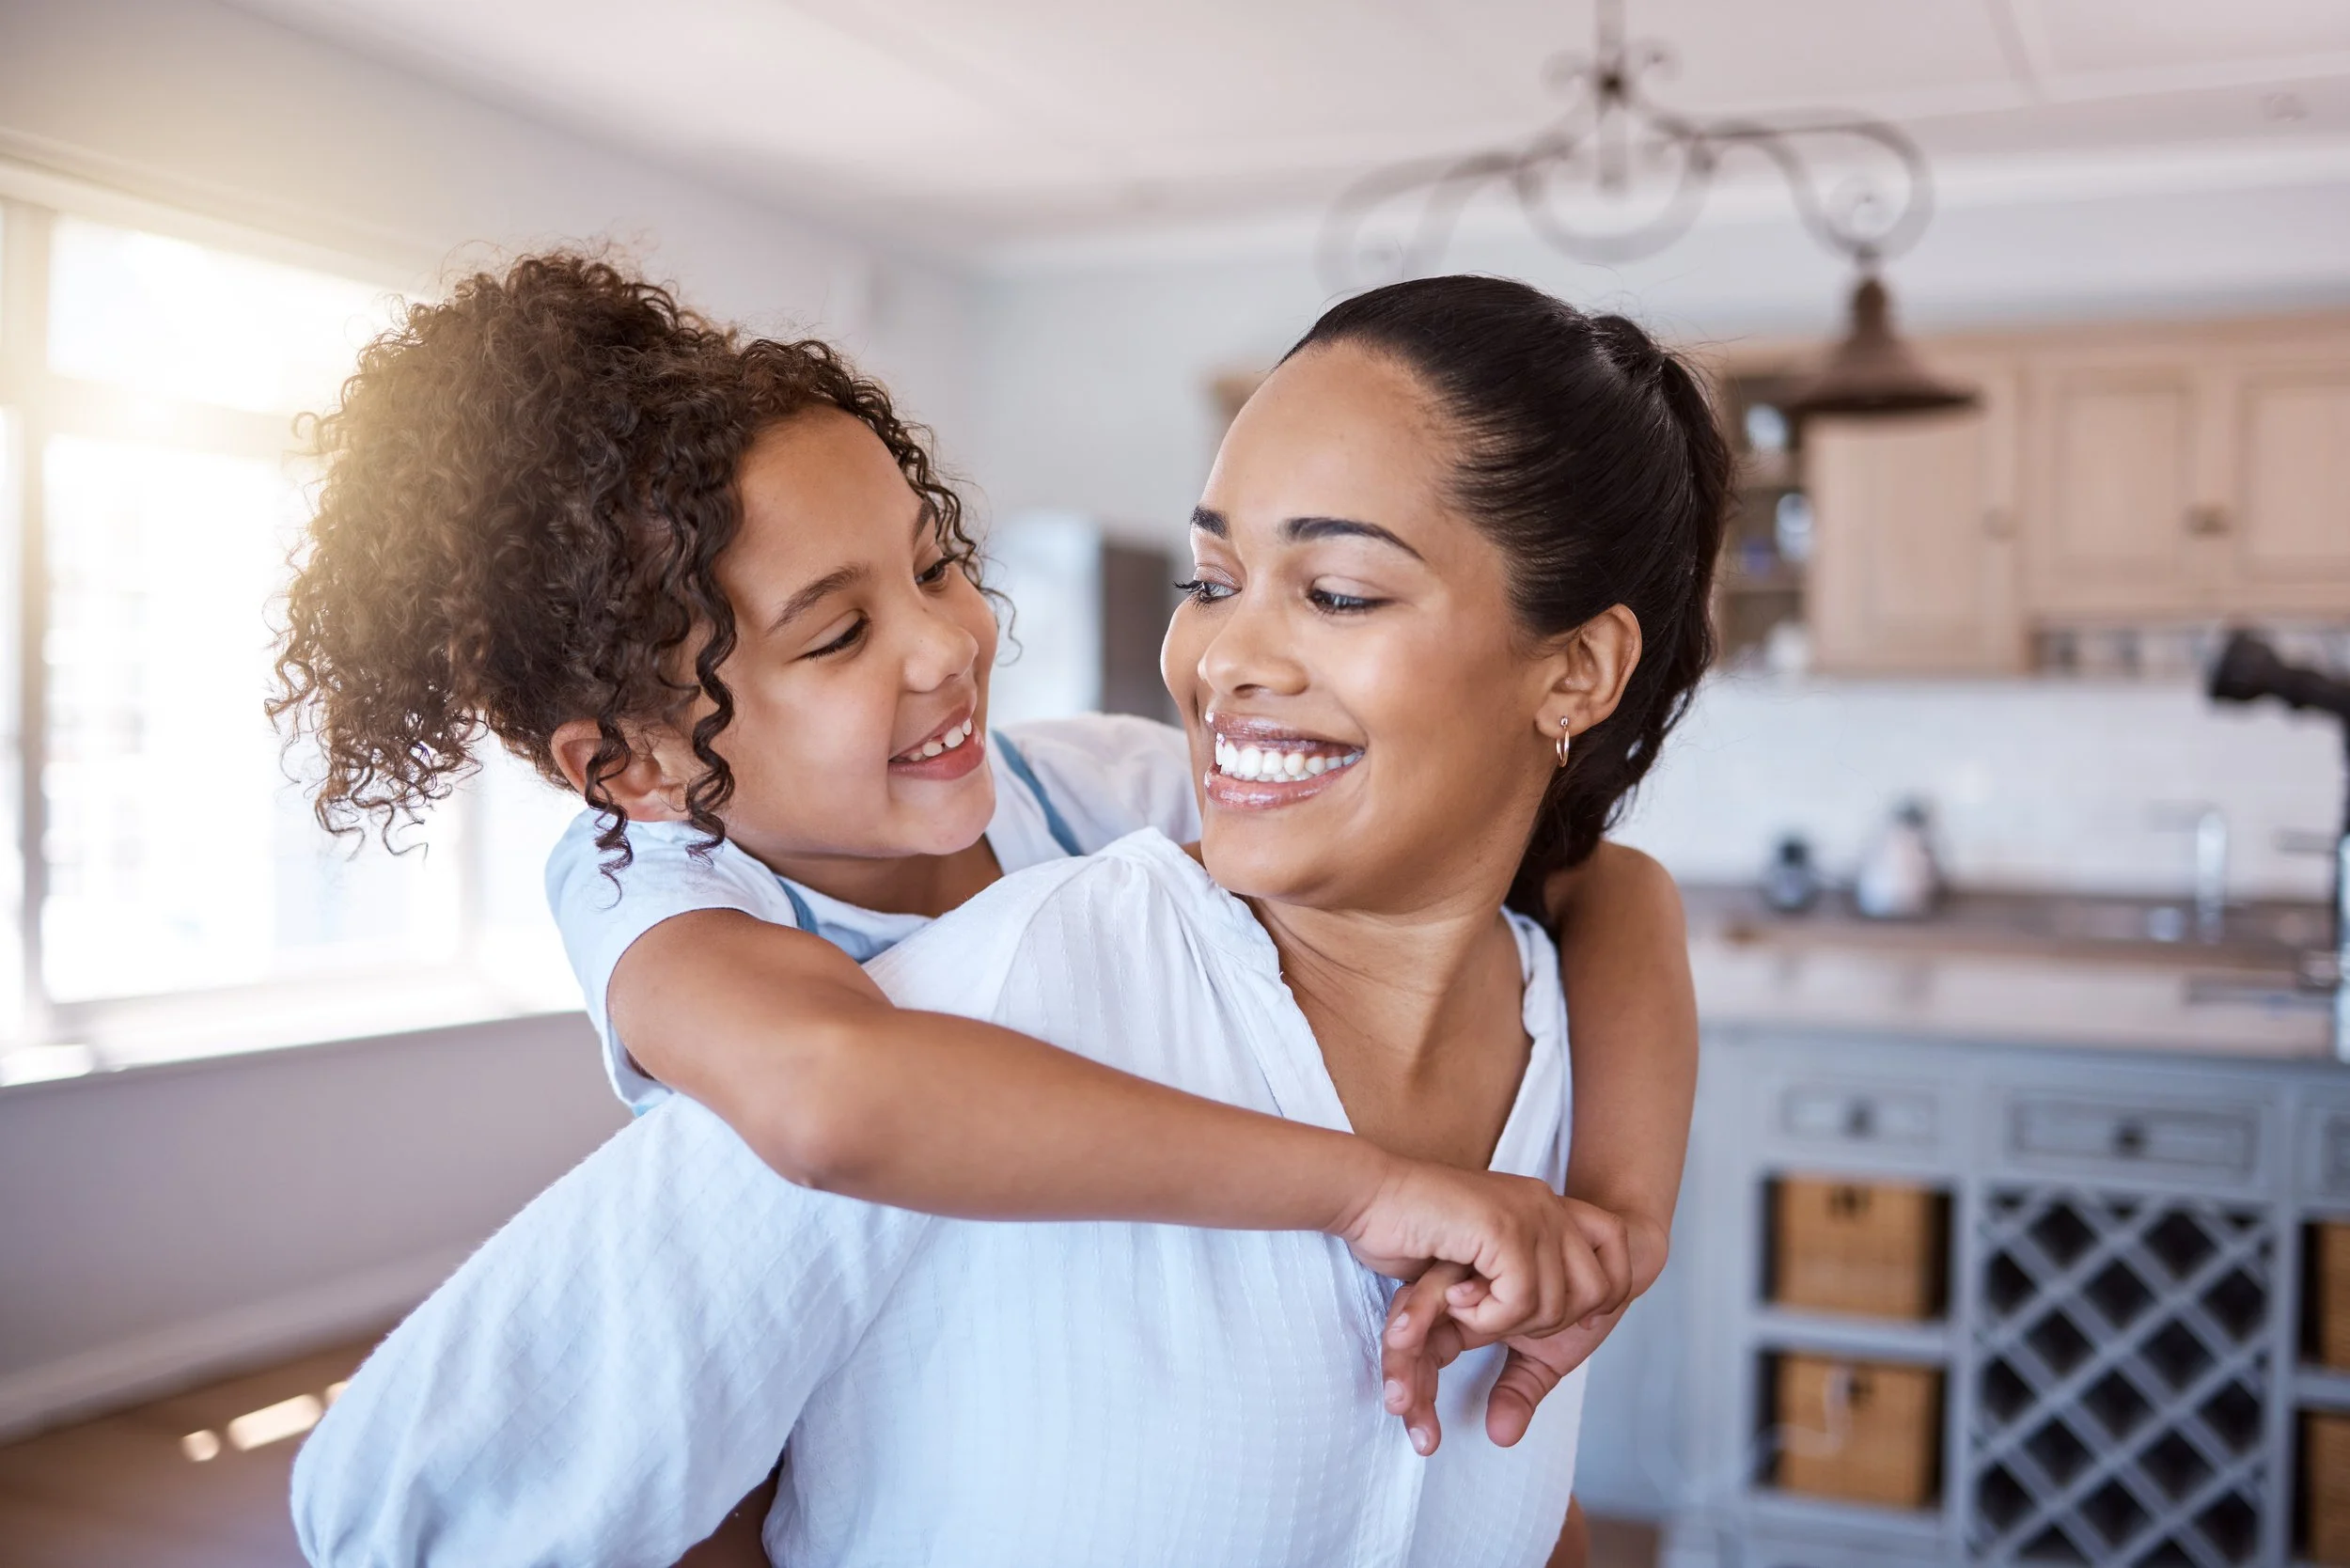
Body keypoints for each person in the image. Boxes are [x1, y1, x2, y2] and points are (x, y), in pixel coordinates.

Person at [290, 273, 1729, 1566]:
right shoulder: (666, 894)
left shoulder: (1094, 797)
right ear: (630, 768)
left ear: (1580, 671)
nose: (949, 645)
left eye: (934, 566)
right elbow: (831, 1098)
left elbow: (1605, 883)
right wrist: (1363, 1188)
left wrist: (1621, 1225)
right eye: (838, 635)